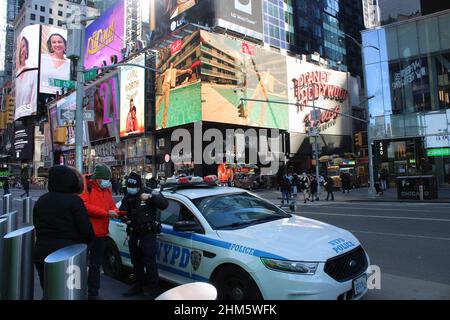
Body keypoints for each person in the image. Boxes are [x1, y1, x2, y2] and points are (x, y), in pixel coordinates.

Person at [33, 165, 94, 289]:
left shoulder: (42, 200)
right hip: (69, 254)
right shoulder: (74, 201)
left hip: (42, 252)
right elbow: (86, 230)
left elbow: (36, 224)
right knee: (70, 291)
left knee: (49, 290)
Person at [119, 172, 169, 299]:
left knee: (150, 264)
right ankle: (137, 287)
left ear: (139, 186)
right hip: (134, 233)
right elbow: (123, 212)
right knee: (136, 263)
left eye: (133, 187)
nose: (131, 189)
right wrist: (124, 218)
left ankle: (154, 292)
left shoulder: (149, 192)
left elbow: (164, 204)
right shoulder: (128, 196)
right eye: (129, 187)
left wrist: (150, 197)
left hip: (147, 234)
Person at [80, 164, 120, 300]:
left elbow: (111, 205)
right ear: (97, 178)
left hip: (102, 232)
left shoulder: (107, 188)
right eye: (105, 178)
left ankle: (93, 292)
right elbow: (84, 206)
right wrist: (106, 213)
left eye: (109, 179)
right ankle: (78, 291)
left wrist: (115, 211)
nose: (108, 181)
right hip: (87, 232)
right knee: (80, 264)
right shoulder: (86, 186)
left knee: (96, 265)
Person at [155, 62, 192, 129]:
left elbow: (181, 71)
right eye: (171, 63)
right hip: (163, 85)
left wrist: (187, 70)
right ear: (169, 64)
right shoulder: (167, 70)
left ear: (174, 65)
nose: (171, 64)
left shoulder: (175, 71)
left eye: (172, 64)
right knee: (159, 100)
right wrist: (157, 76)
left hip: (168, 88)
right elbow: (161, 76)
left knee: (166, 106)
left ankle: (163, 125)